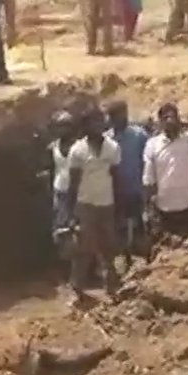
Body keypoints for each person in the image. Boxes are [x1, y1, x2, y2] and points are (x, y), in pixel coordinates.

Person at [66, 106, 121, 299]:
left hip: (107, 203)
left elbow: (116, 177)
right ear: (86, 125)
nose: (98, 125)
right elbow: (73, 183)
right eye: (94, 122)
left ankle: (112, 288)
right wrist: (71, 211)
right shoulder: (77, 150)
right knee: (84, 249)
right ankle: (77, 289)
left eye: (101, 121)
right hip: (85, 205)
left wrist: (119, 204)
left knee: (109, 247)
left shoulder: (112, 147)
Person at [142, 103, 188, 239]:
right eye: (166, 118)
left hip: (187, 204)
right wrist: (150, 206)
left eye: (173, 117)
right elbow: (148, 179)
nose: (170, 121)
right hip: (165, 208)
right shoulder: (153, 144)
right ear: (160, 122)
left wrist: (187, 124)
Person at [105, 100, 148, 264]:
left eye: (121, 114)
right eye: (114, 115)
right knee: (119, 230)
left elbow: (148, 161)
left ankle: (144, 265)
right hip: (114, 193)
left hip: (136, 190)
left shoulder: (139, 135)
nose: (119, 118)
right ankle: (124, 262)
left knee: (140, 229)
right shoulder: (106, 139)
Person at [47, 110, 77, 253]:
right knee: (61, 228)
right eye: (60, 126)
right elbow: (52, 170)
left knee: (78, 228)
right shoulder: (53, 147)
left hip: (77, 192)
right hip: (60, 191)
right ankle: (65, 259)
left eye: (66, 126)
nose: (63, 130)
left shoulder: (80, 147)